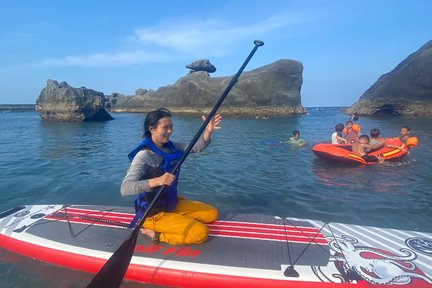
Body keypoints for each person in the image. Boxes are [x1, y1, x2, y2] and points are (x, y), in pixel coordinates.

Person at [120, 108, 221, 245]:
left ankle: (174, 218)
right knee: (201, 233)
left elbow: (197, 147)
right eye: (165, 127)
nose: (170, 131)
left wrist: (208, 132)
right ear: (152, 129)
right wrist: (158, 180)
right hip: (152, 213)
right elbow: (125, 188)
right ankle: (156, 234)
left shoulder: (171, 147)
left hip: (171, 203)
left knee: (211, 214)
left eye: (171, 127)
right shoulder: (144, 155)